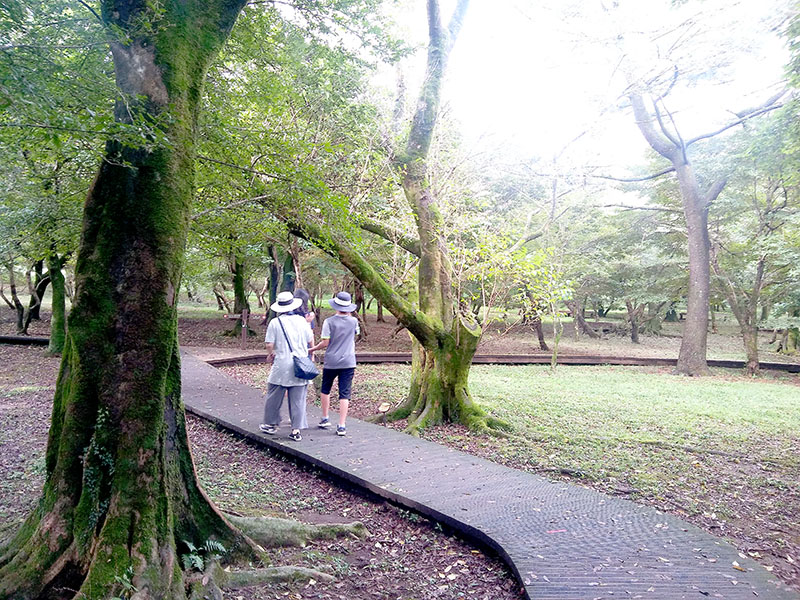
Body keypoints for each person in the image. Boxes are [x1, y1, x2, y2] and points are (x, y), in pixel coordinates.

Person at [260, 291, 314, 441]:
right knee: (298, 399)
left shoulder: (275, 323)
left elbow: (269, 344)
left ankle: (271, 424)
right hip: (300, 364)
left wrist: (272, 353)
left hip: (282, 364)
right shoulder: (302, 321)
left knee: (274, 394)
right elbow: (310, 339)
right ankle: (296, 430)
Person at [309, 291, 359, 437]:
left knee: (326, 389)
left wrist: (312, 349)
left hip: (331, 361)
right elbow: (355, 334)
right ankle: (342, 425)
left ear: (335, 305)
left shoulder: (329, 322)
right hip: (349, 361)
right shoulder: (354, 321)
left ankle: (325, 418)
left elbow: (325, 342)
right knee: (345, 392)